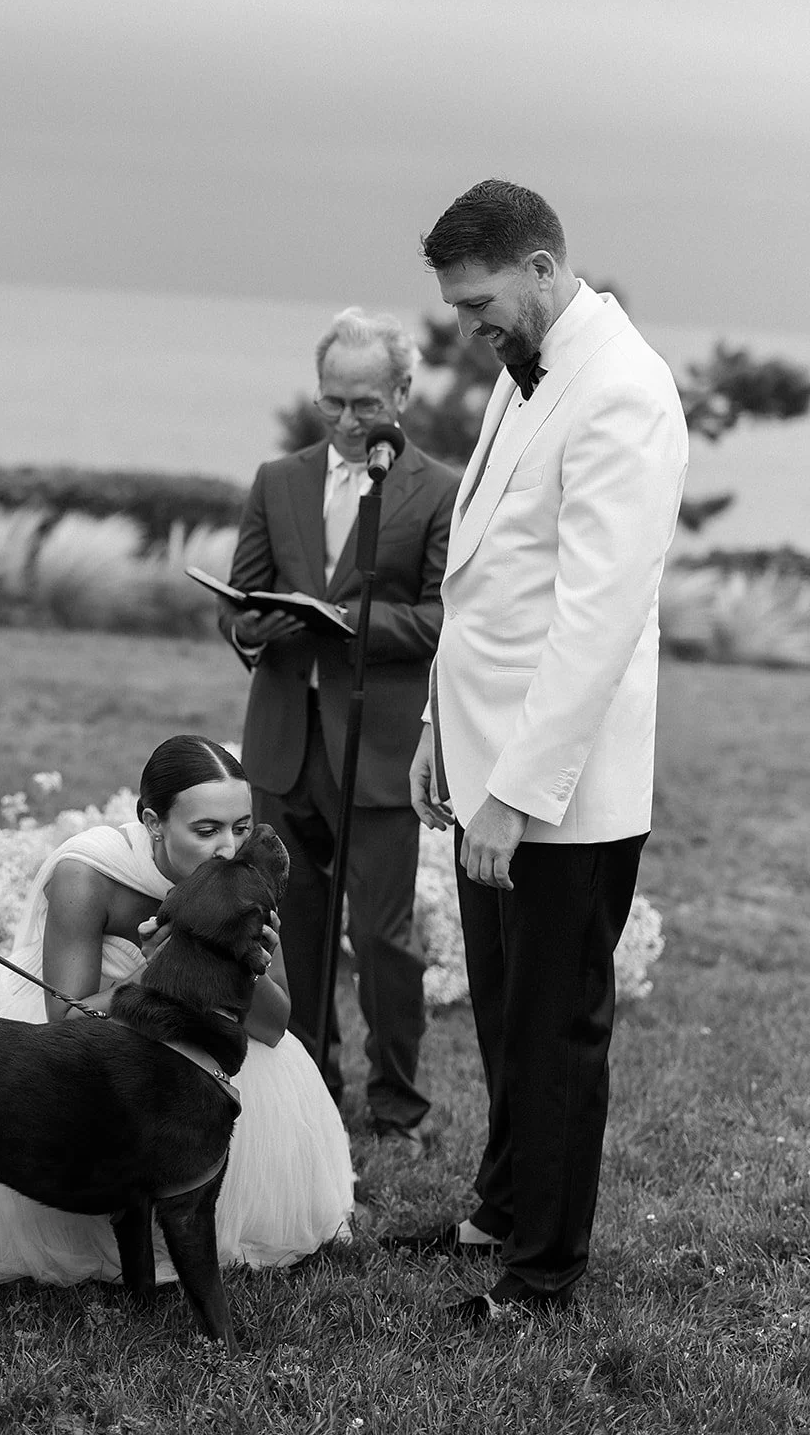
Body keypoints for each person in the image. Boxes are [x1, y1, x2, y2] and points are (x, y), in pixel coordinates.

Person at [395, 180, 688, 1320]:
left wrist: (515, 792)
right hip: (485, 765)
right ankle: (499, 1207)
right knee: (507, 1006)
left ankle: (544, 1269)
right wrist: (436, 731)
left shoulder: (622, 388)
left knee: (556, 1028)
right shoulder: (531, 372)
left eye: (478, 302)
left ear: (541, 267)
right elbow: (484, 578)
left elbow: (596, 615)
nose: (469, 326)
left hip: (562, 792)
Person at [0, 735, 354, 1282]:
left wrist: (244, 965)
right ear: (154, 822)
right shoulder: (88, 874)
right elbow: (64, 1020)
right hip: (83, 1037)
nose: (229, 850)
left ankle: (197, 1223)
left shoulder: (235, 884)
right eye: (206, 830)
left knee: (239, 1071)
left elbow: (274, 1027)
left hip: (186, 1037)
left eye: (241, 827)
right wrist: (153, 974)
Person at [218, 308, 459, 1151]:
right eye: (333, 404)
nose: (349, 422)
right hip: (284, 744)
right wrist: (254, 629)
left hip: (383, 748)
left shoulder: (438, 489)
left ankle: (398, 1102)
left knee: (381, 937)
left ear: (401, 392)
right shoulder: (276, 480)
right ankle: (311, 1080)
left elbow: (441, 619)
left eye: (365, 404)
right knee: (295, 927)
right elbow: (241, 606)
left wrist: (350, 625)